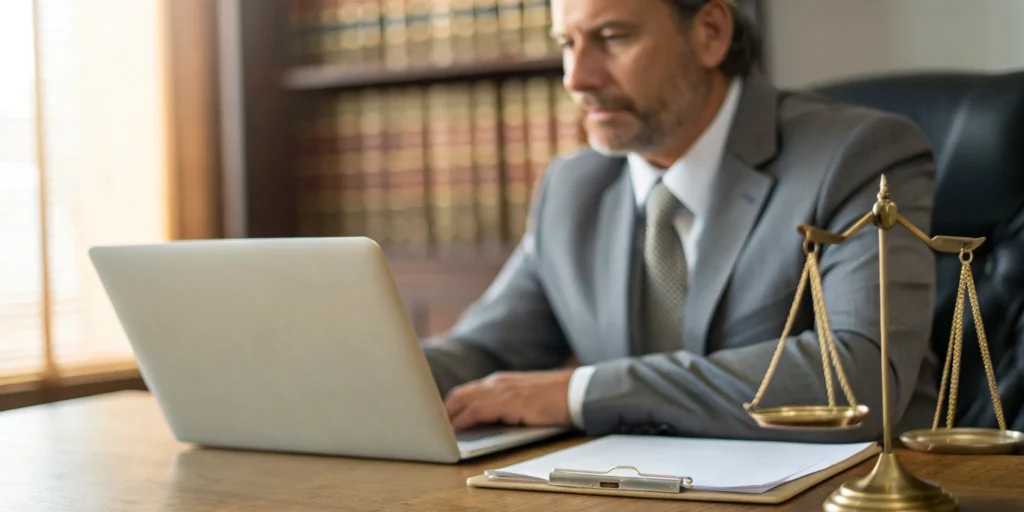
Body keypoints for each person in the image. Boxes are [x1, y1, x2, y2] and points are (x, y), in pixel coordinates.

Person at [422, 0, 939, 442]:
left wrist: (583, 392)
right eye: (566, 44)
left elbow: (858, 373)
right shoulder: (571, 188)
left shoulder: (856, 156)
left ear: (710, 33)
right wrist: (367, 378)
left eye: (612, 37)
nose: (577, 78)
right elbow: (487, 350)